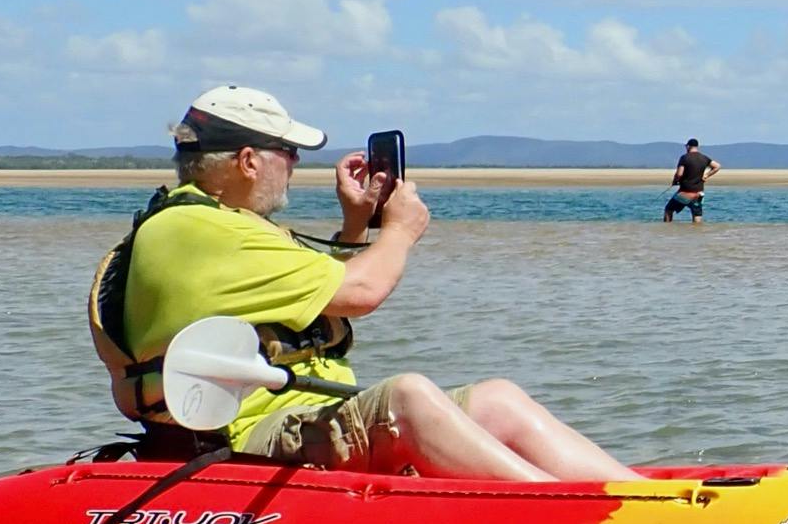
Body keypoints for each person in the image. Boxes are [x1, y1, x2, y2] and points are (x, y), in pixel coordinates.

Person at [88, 85, 637, 482]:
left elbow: (322, 297)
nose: (296, 165)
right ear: (250, 161)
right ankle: (565, 513)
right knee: (407, 395)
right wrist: (399, 230)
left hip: (290, 421)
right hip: (243, 440)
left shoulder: (212, 223)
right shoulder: (200, 229)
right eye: (289, 153)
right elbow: (361, 293)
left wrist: (356, 225)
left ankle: (642, 499)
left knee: (498, 399)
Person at [664, 138, 721, 223]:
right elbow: (717, 166)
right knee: (697, 214)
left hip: (685, 192)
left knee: (668, 209)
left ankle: (667, 227)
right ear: (697, 146)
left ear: (688, 146)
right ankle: (697, 233)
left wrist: (675, 181)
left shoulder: (684, 158)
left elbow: (679, 174)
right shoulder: (704, 158)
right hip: (699, 193)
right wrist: (706, 175)